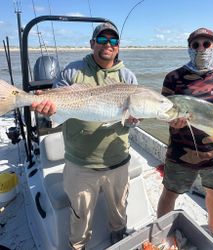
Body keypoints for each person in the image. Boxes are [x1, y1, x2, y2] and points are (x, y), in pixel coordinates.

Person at [31, 22, 138, 250]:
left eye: (112, 41)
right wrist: (47, 107)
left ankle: (118, 238)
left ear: (118, 47)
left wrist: (135, 119)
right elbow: (54, 103)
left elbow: (132, 121)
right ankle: (77, 246)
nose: (107, 44)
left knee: (119, 212)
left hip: (118, 161)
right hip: (80, 164)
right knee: (80, 219)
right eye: (101, 40)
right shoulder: (72, 71)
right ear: (92, 44)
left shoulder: (128, 78)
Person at [157, 27, 213, 244]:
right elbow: (163, 110)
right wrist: (173, 120)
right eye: (195, 44)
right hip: (180, 153)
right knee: (170, 191)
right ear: (189, 48)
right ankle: (163, 230)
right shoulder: (173, 78)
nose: (201, 48)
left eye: (206, 44)